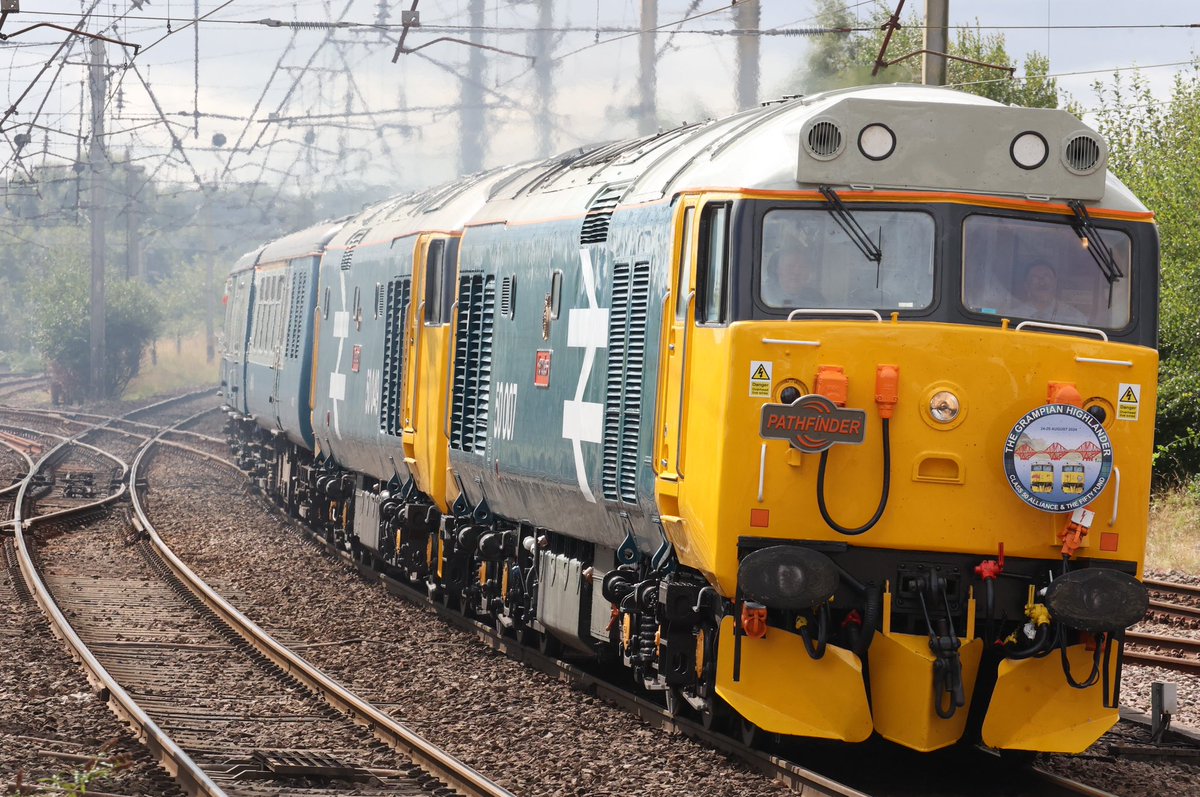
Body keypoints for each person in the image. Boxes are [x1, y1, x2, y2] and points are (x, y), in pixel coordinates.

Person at [1013, 262, 1088, 325]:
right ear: (1026, 286)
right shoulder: (1014, 316)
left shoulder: (1076, 318)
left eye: (1046, 277)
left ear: (1055, 283)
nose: (1041, 283)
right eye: (1035, 277)